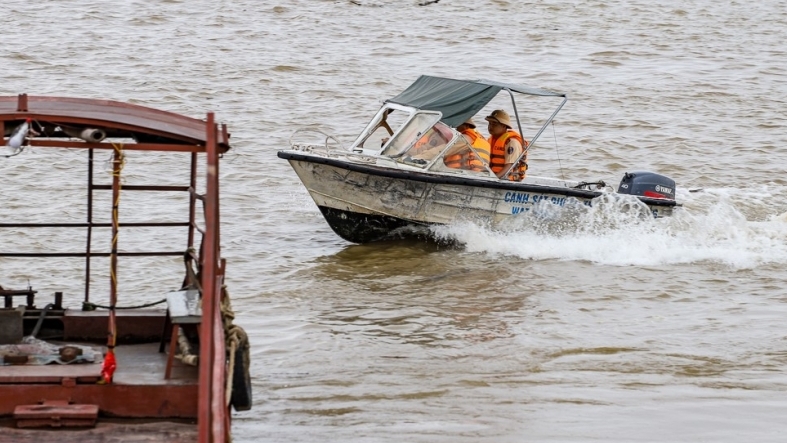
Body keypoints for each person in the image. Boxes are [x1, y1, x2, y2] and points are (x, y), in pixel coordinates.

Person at [485, 109, 528, 181]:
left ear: (504, 126)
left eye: (494, 124)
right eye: (489, 123)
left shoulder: (512, 142)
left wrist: (493, 178)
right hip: (496, 177)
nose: (490, 127)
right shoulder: (490, 140)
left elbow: (509, 166)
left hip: (509, 180)